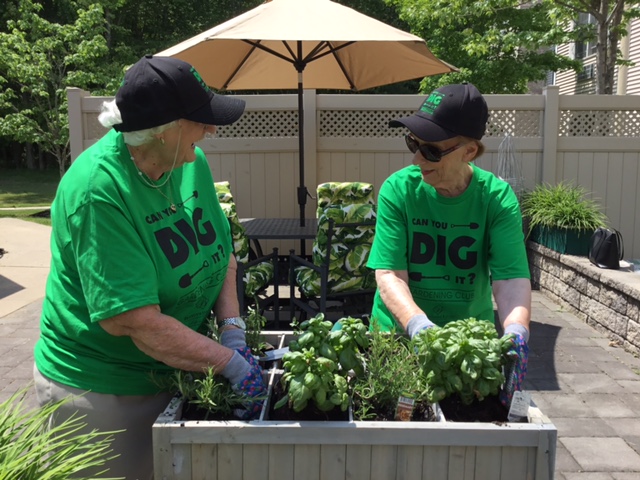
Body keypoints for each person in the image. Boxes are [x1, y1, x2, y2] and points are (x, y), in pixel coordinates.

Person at [33, 55, 265, 479]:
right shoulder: (99, 191)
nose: (211, 130)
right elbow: (137, 322)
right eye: (200, 120)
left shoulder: (186, 161)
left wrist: (231, 329)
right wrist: (229, 364)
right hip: (103, 392)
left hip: (177, 368)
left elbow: (222, 254)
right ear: (164, 130)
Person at [367, 83, 531, 406]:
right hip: (397, 340)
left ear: (469, 151)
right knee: (398, 432)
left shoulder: (496, 199)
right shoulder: (397, 191)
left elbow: (510, 279)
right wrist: (417, 325)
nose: (416, 158)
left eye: (430, 150)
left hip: (466, 352)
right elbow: (389, 274)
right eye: (413, 143)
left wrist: (516, 331)